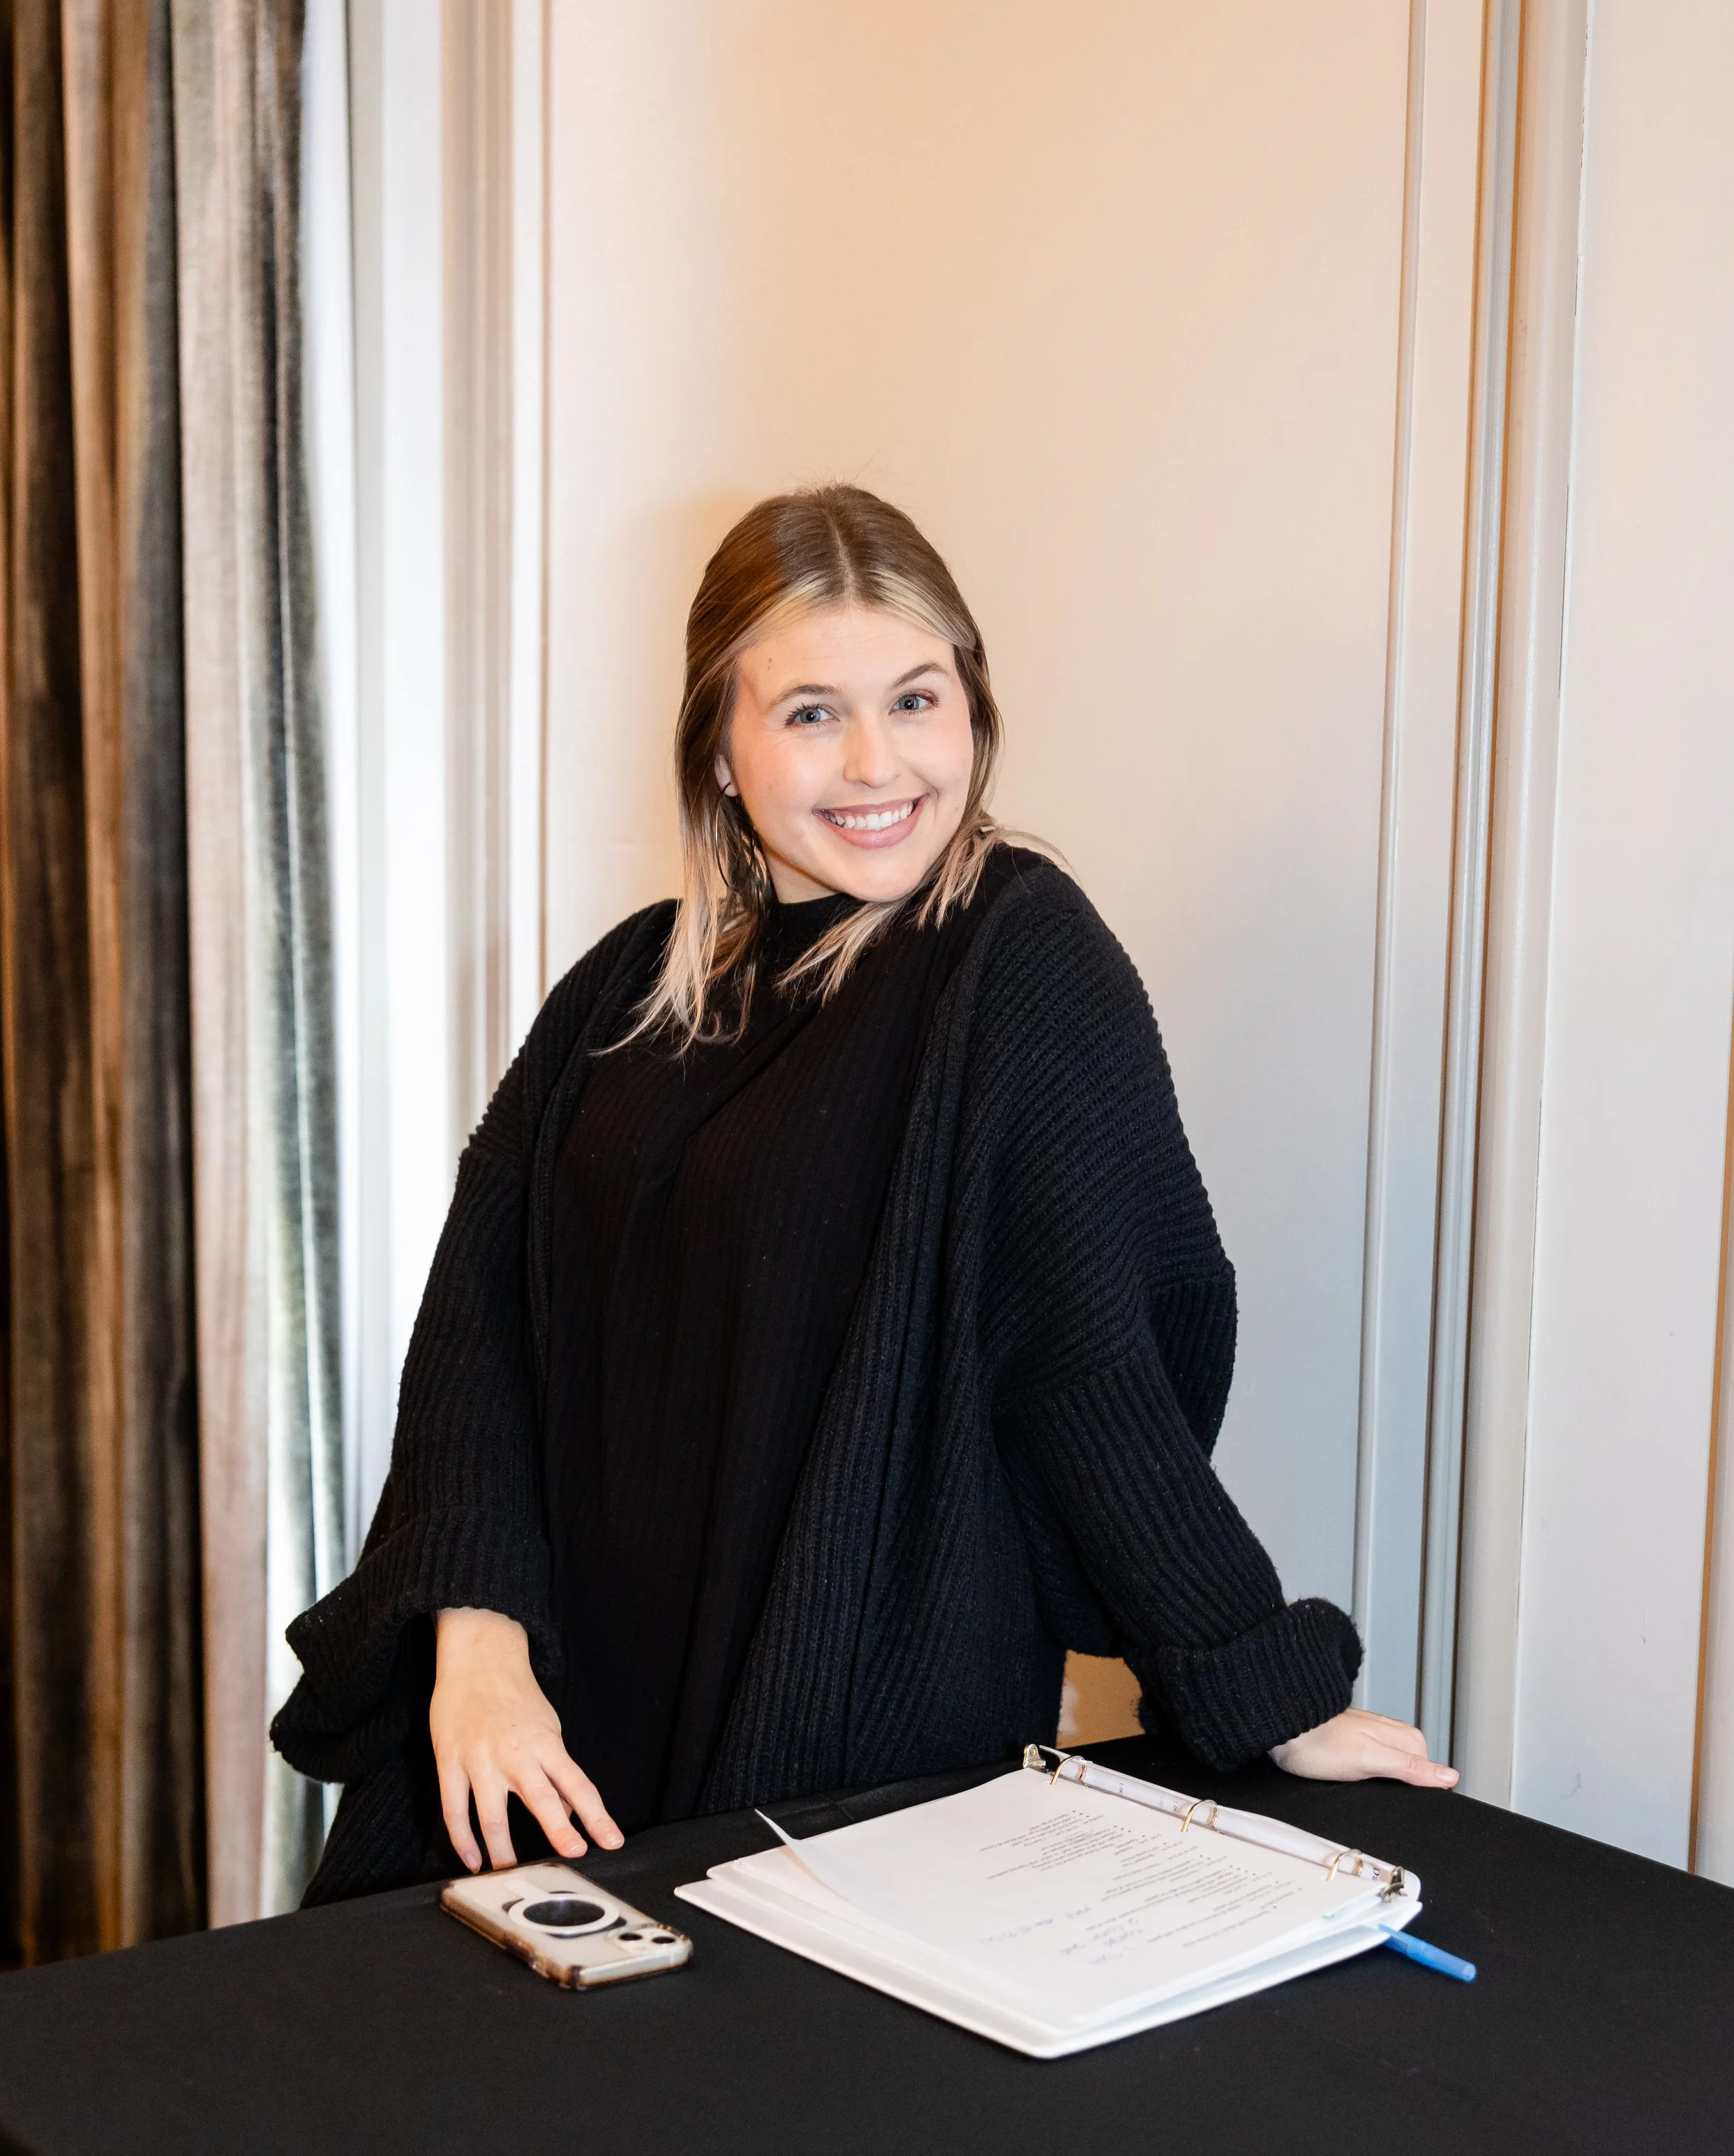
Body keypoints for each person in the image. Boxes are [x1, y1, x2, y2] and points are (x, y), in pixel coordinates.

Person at [274, 486, 1456, 1902]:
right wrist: (474, 1648)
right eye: (810, 713)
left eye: (914, 698)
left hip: (828, 1758)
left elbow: (1088, 1368)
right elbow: (476, 1337)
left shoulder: (1012, 959)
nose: (877, 761)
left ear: (972, 710)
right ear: (718, 744)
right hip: (540, 1744)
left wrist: (1254, 1678)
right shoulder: (622, 990)